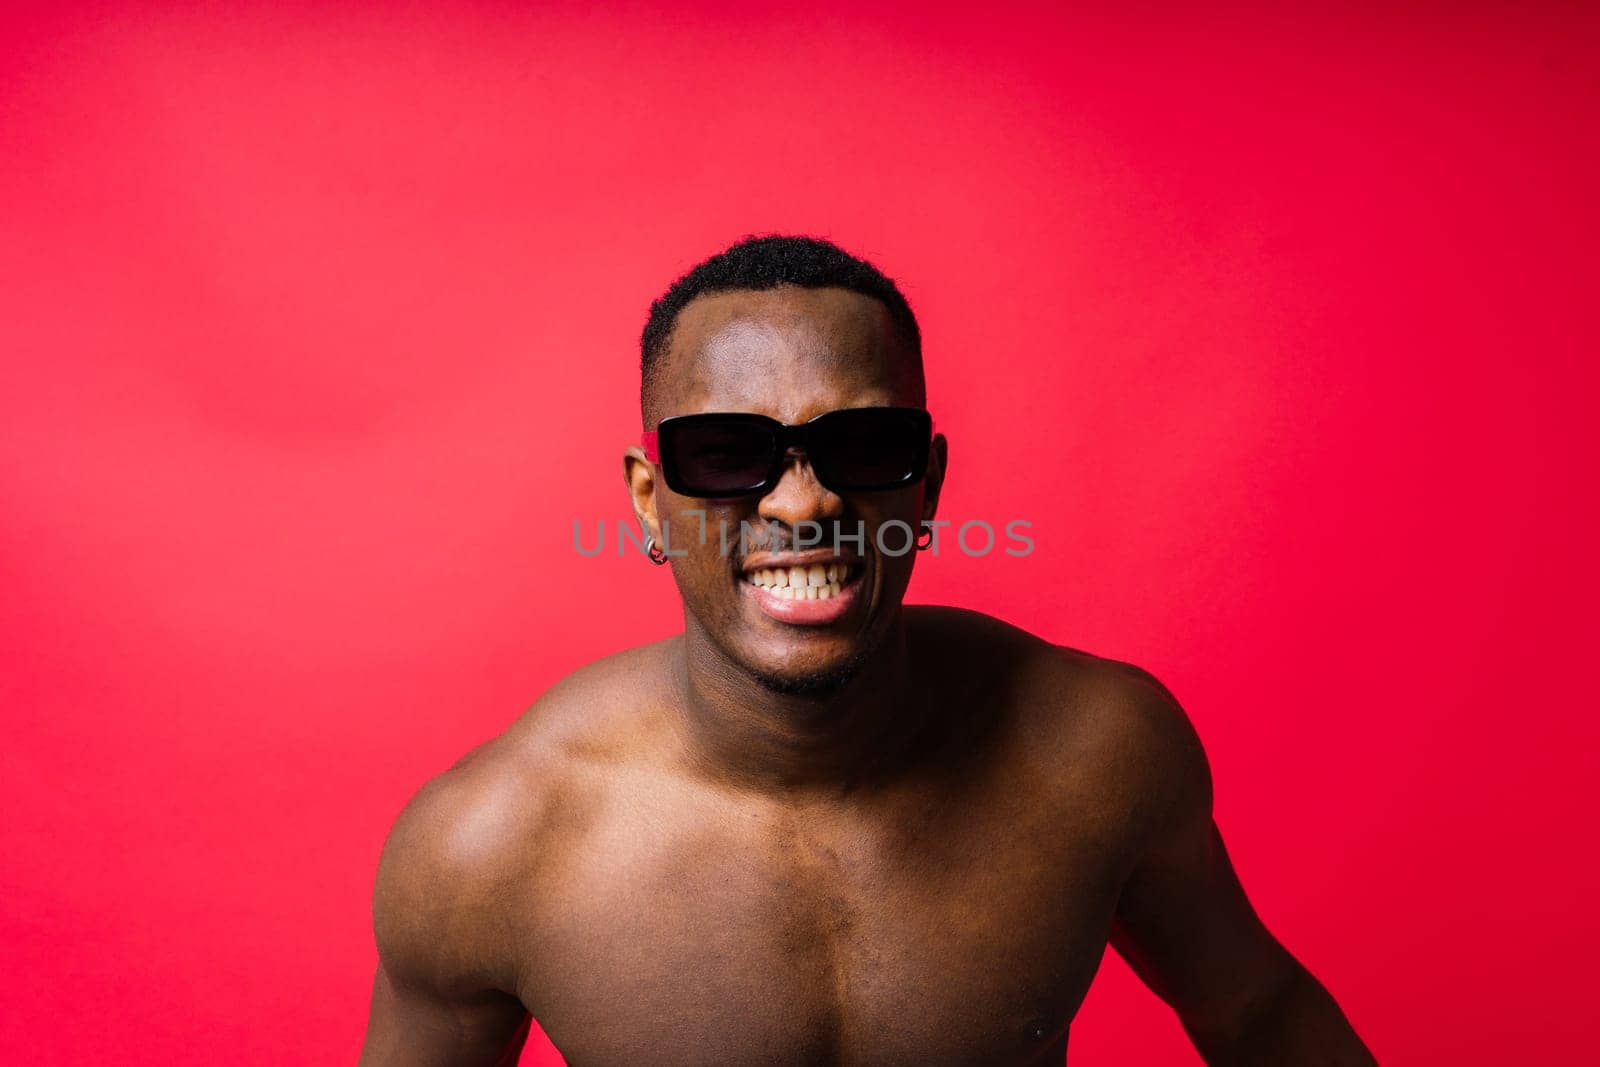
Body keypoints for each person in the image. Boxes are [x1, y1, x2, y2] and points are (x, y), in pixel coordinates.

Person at [358, 235, 1375, 1065]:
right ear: (645, 497)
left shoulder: (1094, 753)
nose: (803, 501)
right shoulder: (490, 845)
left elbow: (1258, 1015)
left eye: (863, 446)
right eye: (725, 453)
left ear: (924, 484)